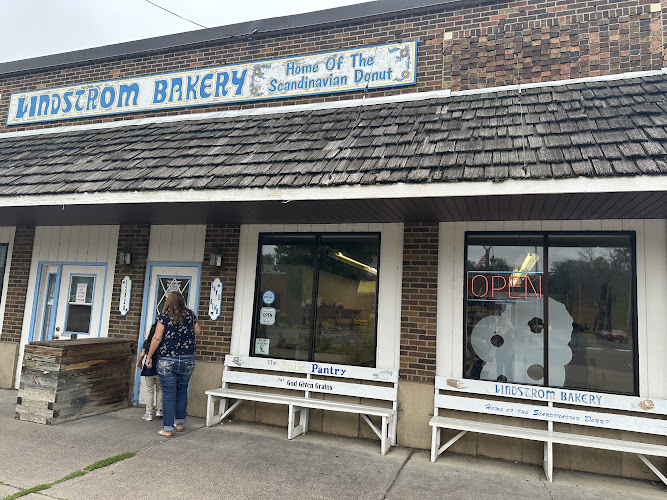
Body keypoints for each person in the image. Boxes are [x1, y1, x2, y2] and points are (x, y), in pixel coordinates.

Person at [146, 291, 200, 438]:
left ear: (168, 302)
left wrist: (149, 356)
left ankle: (167, 429)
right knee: (182, 390)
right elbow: (198, 331)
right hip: (188, 359)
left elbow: (156, 338)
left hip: (168, 360)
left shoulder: (163, 317)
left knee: (169, 394)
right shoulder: (190, 315)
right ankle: (180, 423)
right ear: (182, 301)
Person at [136, 321, 163, 421]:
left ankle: (148, 413)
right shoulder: (163, 342)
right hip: (160, 368)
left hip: (149, 368)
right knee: (160, 389)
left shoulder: (148, 342)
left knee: (149, 391)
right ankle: (159, 410)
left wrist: (139, 363)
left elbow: (142, 354)